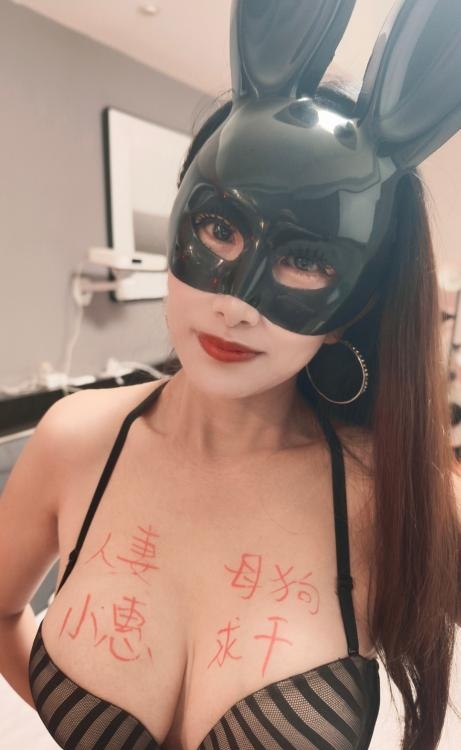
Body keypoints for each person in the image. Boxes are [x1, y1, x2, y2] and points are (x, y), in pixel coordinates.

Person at [1, 1, 460, 750]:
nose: (235, 305)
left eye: (305, 260)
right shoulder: (72, 440)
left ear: (357, 304)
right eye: (220, 227)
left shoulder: (395, 491)